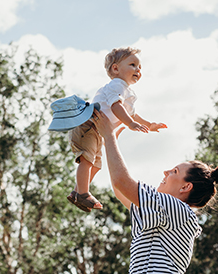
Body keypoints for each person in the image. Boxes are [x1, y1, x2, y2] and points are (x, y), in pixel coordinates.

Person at [92, 109, 218, 273]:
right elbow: (120, 190)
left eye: (174, 171)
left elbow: (122, 183)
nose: (165, 172)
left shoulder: (177, 209)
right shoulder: (166, 213)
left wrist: (109, 136)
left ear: (186, 187)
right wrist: (110, 142)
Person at [67, 47, 167, 212]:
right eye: (133, 64)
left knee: (97, 165)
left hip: (98, 131)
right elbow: (116, 107)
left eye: (140, 67)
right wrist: (129, 124)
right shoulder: (117, 85)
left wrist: (150, 125)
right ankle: (83, 193)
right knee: (87, 160)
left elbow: (133, 115)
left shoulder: (127, 91)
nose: (138, 69)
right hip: (88, 125)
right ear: (115, 68)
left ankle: (77, 191)